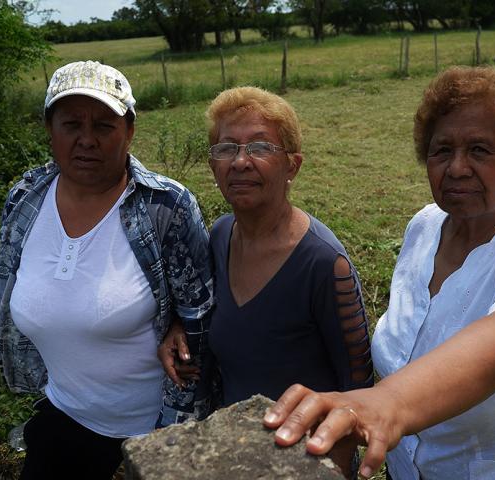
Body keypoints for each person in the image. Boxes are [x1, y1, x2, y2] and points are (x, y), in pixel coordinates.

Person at [262, 66, 495, 480]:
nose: (456, 169)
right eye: (441, 151)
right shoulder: (425, 225)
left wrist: (387, 403)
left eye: (480, 150)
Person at [0, 61, 214, 479]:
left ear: (129, 132)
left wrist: (180, 328)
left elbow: (198, 311)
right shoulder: (25, 198)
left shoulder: (165, 207)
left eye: (104, 125)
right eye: (71, 124)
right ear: (50, 129)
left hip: (156, 422)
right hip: (65, 408)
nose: (87, 140)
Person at [159, 86, 373, 475]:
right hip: (232, 450)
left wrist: (331, 470)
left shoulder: (324, 264)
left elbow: (357, 388)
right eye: (226, 149)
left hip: (303, 459)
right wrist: (179, 325)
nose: (240, 162)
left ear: (293, 166)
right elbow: (203, 303)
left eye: (259, 148)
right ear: (213, 166)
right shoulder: (220, 236)